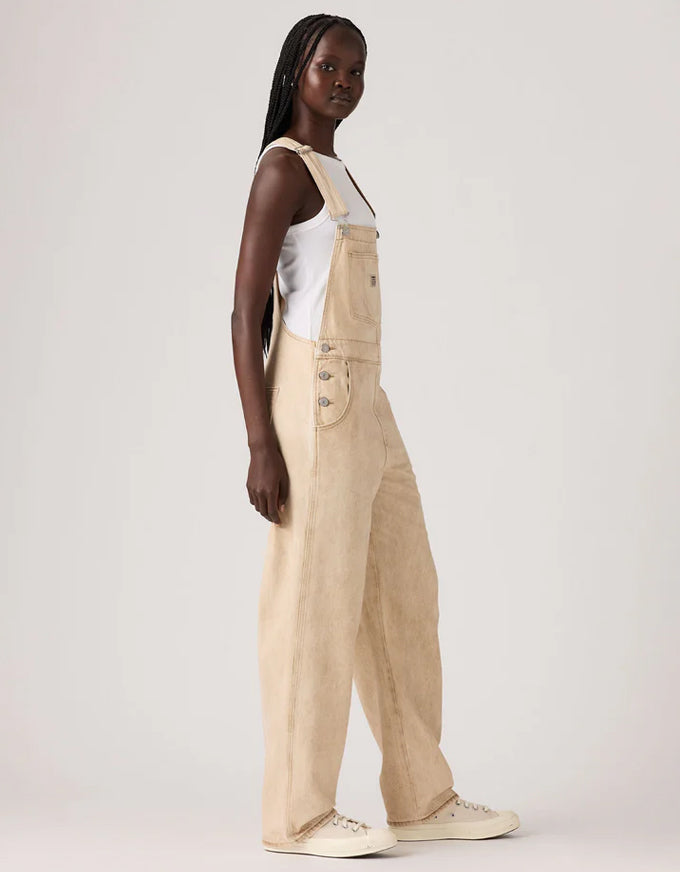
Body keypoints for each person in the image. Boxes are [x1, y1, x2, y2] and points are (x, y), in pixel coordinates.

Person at [231, 13, 520, 859]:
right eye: (330, 65)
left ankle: (421, 796)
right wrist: (259, 443)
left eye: (358, 69)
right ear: (297, 71)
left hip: (369, 404)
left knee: (402, 591)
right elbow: (245, 314)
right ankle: (297, 813)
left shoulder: (341, 171)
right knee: (313, 605)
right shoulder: (282, 172)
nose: (346, 81)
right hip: (314, 400)